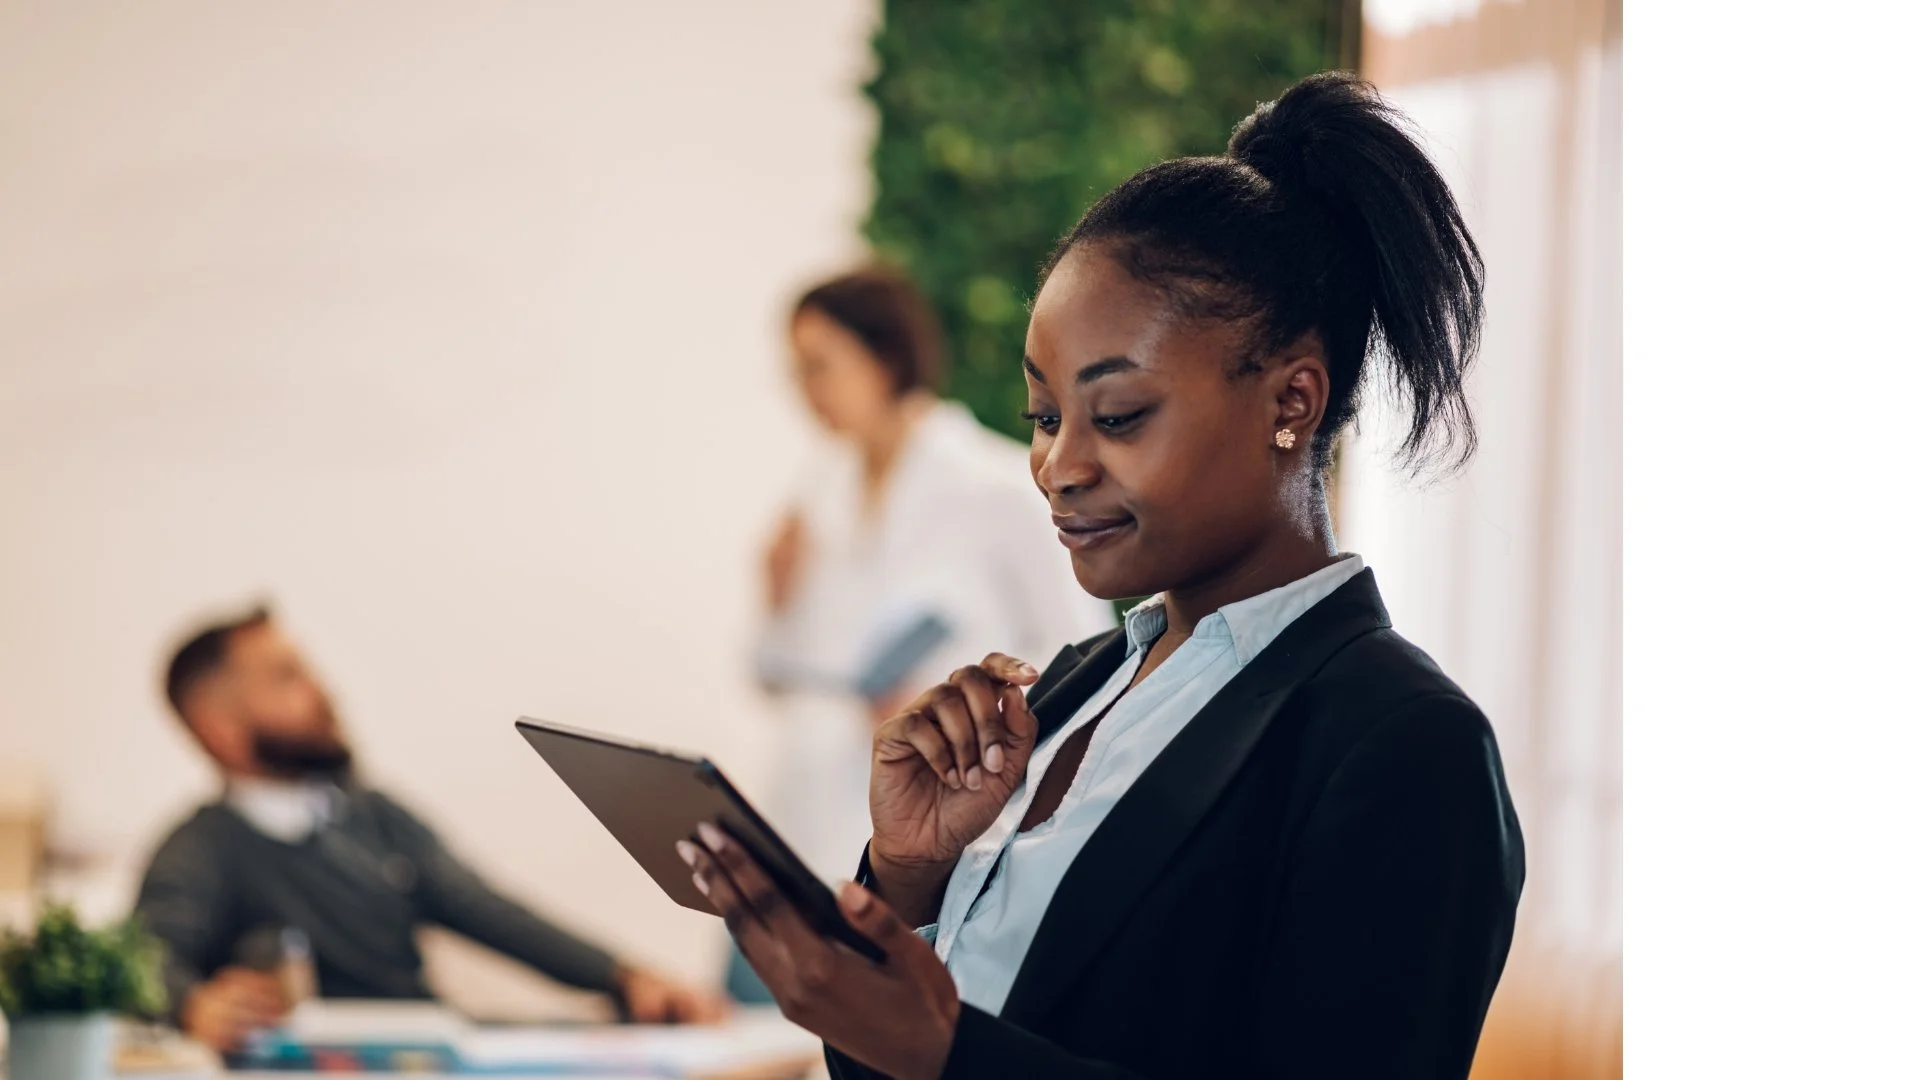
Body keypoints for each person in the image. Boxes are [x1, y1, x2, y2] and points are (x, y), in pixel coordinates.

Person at [677, 72, 1526, 1079]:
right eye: (1045, 418)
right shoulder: (1079, 687)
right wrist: (908, 883)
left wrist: (946, 1051)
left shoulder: (1400, 742)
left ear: (1292, 400)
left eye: (1116, 416)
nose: (1058, 465)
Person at [736, 268, 1114, 1001]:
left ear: (884, 357)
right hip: (810, 822)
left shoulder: (994, 487)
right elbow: (772, 671)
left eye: (820, 366)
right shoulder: (816, 493)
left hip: (942, 832)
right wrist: (774, 595)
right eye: (795, 371)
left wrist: (961, 708)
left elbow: (1087, 662)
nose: (804, 390)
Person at [135, 608, 725, 1053]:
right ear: (221, 729)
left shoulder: (374, 814)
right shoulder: (201, 850)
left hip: (430, 1047)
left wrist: (625, 976)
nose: (322, 692)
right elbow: (143, 960)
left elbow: (482, 906)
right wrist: (194, 1005)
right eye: (287, 678)